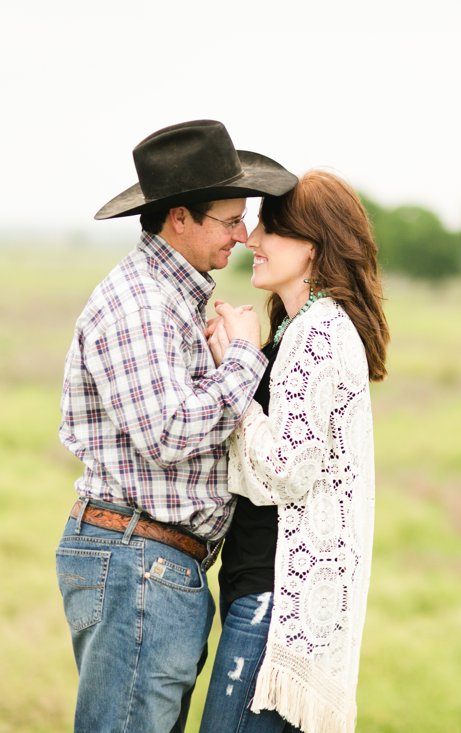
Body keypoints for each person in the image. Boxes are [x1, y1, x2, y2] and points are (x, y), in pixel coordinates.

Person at [55, 119, 297, 732]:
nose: (242, 237)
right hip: (140, 560)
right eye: (229, 220)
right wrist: (245, 356)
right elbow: (169, 434)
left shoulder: (170, 299)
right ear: (179, 219)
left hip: (156, 564)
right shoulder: (140, 304)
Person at [198, 170, 389, 733]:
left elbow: (284, 469)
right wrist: (239, 361)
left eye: (270, 230)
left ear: (312, 245)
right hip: (261, 590)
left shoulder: (319, 332)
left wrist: (238, 360)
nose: (251, 241)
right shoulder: (297, 327)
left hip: (275, 603)